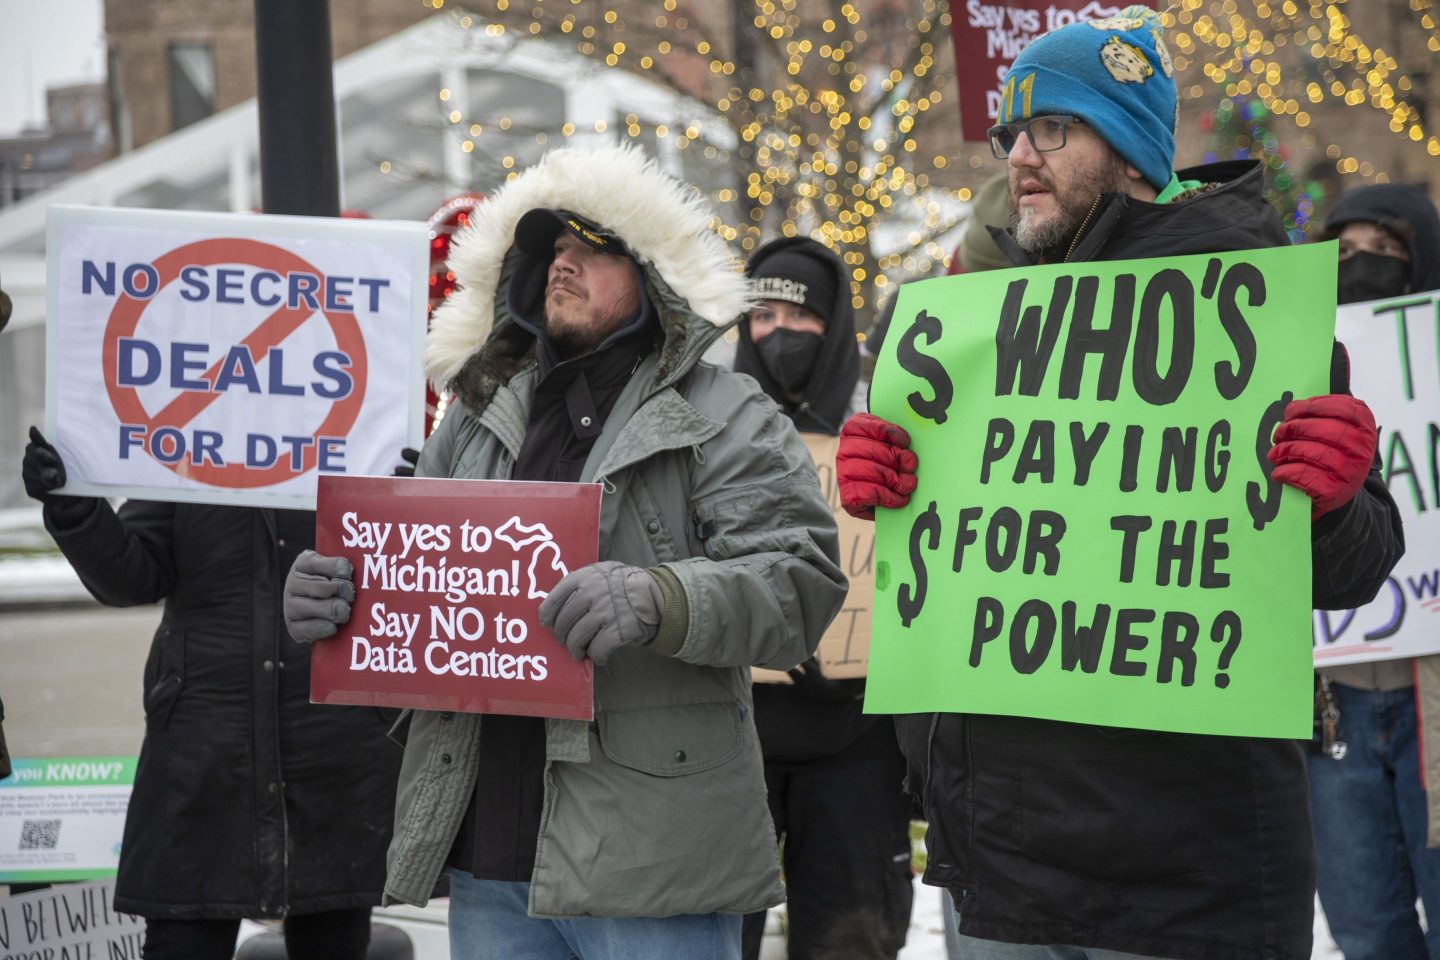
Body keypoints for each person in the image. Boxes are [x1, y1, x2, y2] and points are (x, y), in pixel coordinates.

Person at [833, 7, 1405, 960]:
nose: (1020, 154)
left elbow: (1354, 570)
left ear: (1132, 144)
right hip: (1003, 870)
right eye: (1011, 132)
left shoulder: (1249, 302)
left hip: (1190, 878)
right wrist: (891, 485)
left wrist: (1337, 497)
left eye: (1053, 127)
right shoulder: (973, 327)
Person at [282, 144, 848, 960]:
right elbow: (420, 620)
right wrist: (344, 609)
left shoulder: (726, 413)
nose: (563, 265)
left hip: (654, 868)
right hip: (491, 861)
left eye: (592, 246)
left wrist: (661, 599)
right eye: (551, 249)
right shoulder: (472, 420)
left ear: (652, 272)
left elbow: (798, 587)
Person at [20, 436, 400, 958]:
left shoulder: (366, 436)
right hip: (203, 755)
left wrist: (417, 498)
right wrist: (75, 507)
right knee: (183, 939)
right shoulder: (197, 439)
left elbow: (415, 581)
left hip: (332, 750)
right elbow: (131, 577)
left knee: (333, 934)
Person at [733, 237, 913, 960]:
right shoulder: (703, 424)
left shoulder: (889, 423)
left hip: (855, 742)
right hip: (729, 738)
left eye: (800, 316)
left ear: (834, 323)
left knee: (852, 937)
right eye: (762, 314)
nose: (779, 332)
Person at [1308, 182, 1440, 960]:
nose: (1362, 269)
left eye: (1386, 253)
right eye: (1346, 253)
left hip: (1429, 695)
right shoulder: (1297, 364)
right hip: (1335, 704)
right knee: (1366, 928)